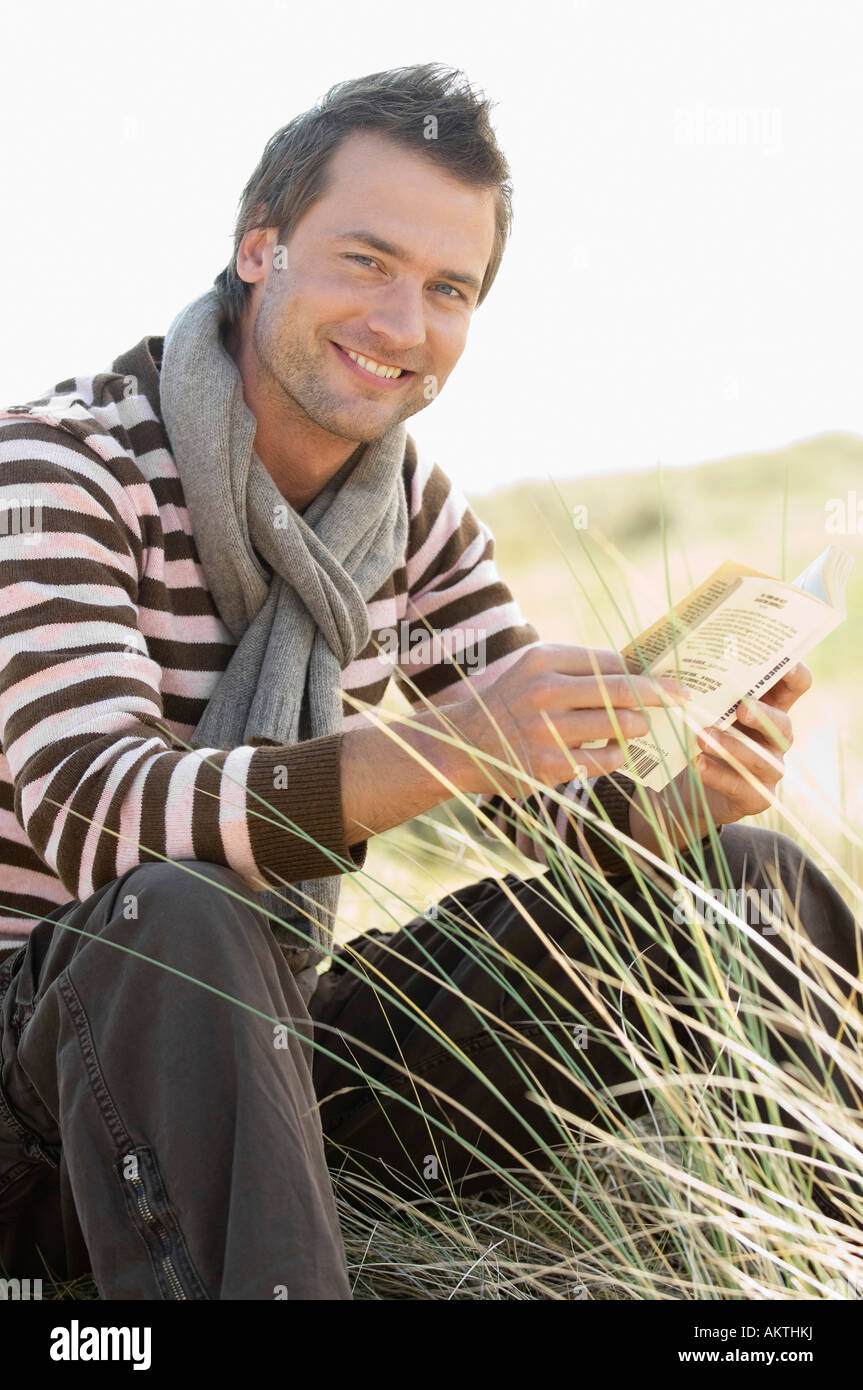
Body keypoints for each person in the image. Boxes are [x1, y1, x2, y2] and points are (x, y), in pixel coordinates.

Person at [0, 64, 858, 1301]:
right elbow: (99, 809)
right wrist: (446, 746)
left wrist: (682, 794)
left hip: (265, 1066)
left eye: (447, 288)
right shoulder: (59, 466)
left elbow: (558, 827)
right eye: (365, 260)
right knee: (185, 912)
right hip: (43, 1087)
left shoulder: (412, 517)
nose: (403, 322)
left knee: (747, 885)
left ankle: (801, 1282)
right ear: (261, 250)